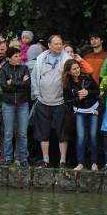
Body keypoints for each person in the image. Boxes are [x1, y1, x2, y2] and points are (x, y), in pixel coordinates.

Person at [30, 35, 71, 167]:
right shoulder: (41, 58)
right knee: (43, 132)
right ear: (49, 45)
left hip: (60, 101)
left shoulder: (67, 59)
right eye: (56, 44)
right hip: (42, 100)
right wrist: (36, 94)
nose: (59, 46)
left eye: (60, 43)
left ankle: (63, 160)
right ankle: (45, 160)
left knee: (62, 132)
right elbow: (35, 77)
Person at [62, 58, 99, 171]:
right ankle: (81, 163)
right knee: (81, 137)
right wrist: (78, 98)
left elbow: (97, 91)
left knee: (93, 137)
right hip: (79, 112)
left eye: (78, 68)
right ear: (68, 71)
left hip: (93, 109)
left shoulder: (87, 77)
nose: (77, 70)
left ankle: (94, 163)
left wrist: (88, 92)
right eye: (74, 69)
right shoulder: (67, 83)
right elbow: (67, 101)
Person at [0, 47, 31, 166]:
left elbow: (27, 85)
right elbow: (4, 87)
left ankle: (23, 158)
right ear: (9, 58)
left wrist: (12, 82)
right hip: (8, 104)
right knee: (8, 132)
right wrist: (20, 82)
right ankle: (7, 157)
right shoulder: (3, 69)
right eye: (16, 56)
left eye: (19, 55)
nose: (19, 58)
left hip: (22, 103)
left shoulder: (25, 68)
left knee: (22, 133)